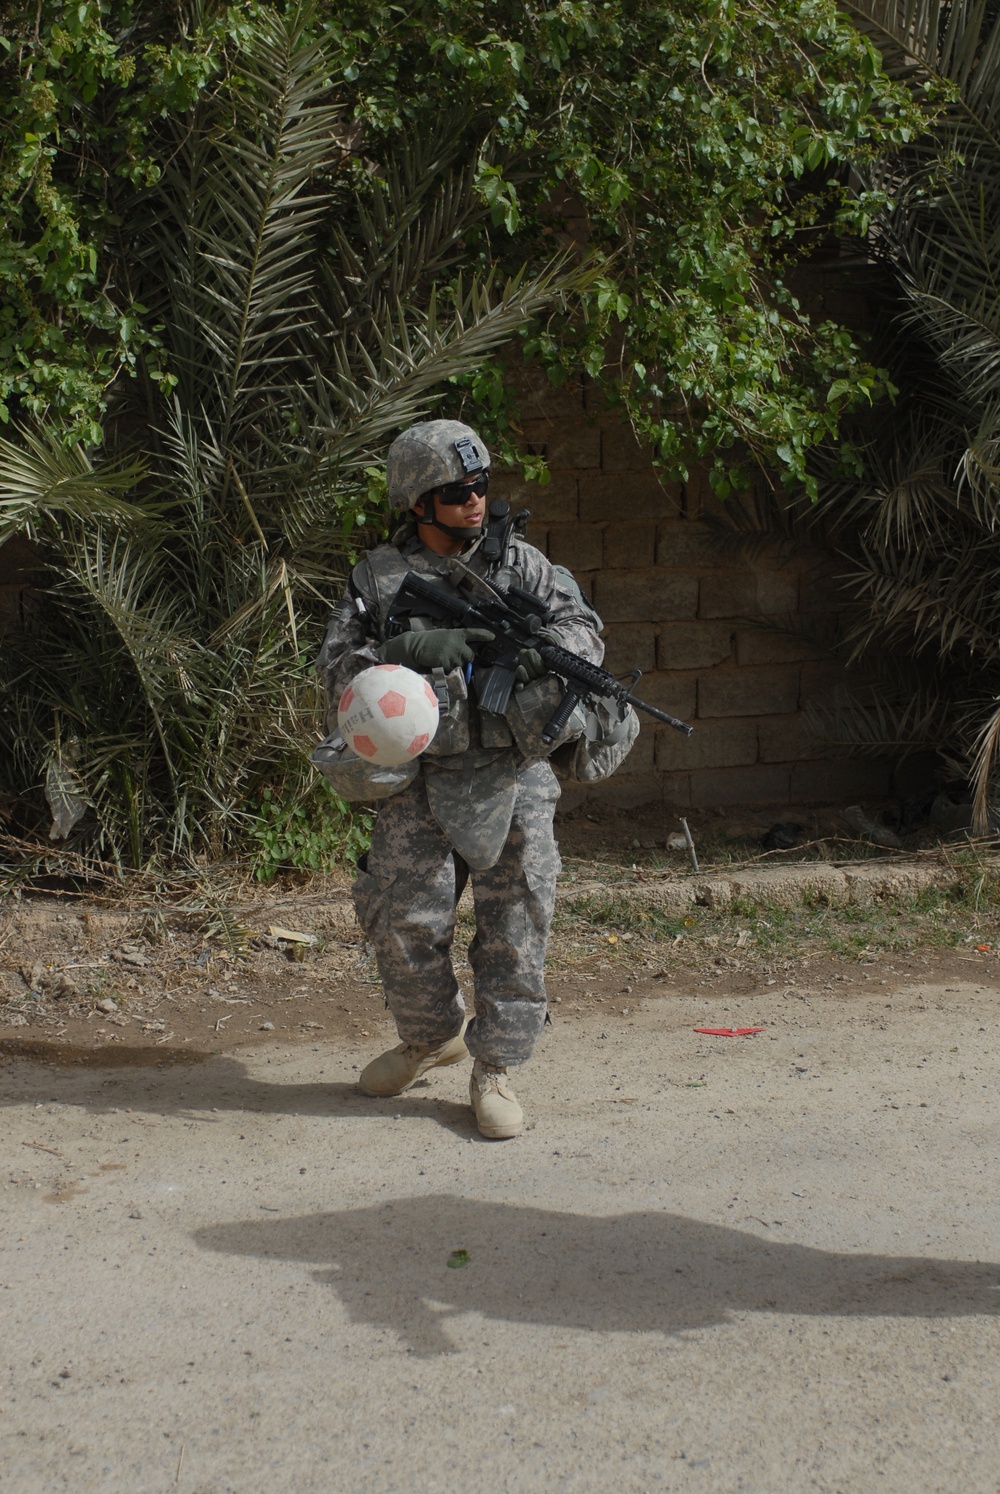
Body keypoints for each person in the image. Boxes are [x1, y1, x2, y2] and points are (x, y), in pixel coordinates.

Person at [316, 419, 604, 1138]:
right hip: (416, 778)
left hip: (514, 769)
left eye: (480, 487)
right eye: (454, 492)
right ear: (418, 503)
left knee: (516, 923)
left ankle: (495, 1068)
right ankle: (431, 1038)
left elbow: (584, 632)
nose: (474, 502)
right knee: (402, 922)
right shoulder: (378, 580)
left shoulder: (525, 567)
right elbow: (337, 672)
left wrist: (539, 653)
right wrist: (405, 651)